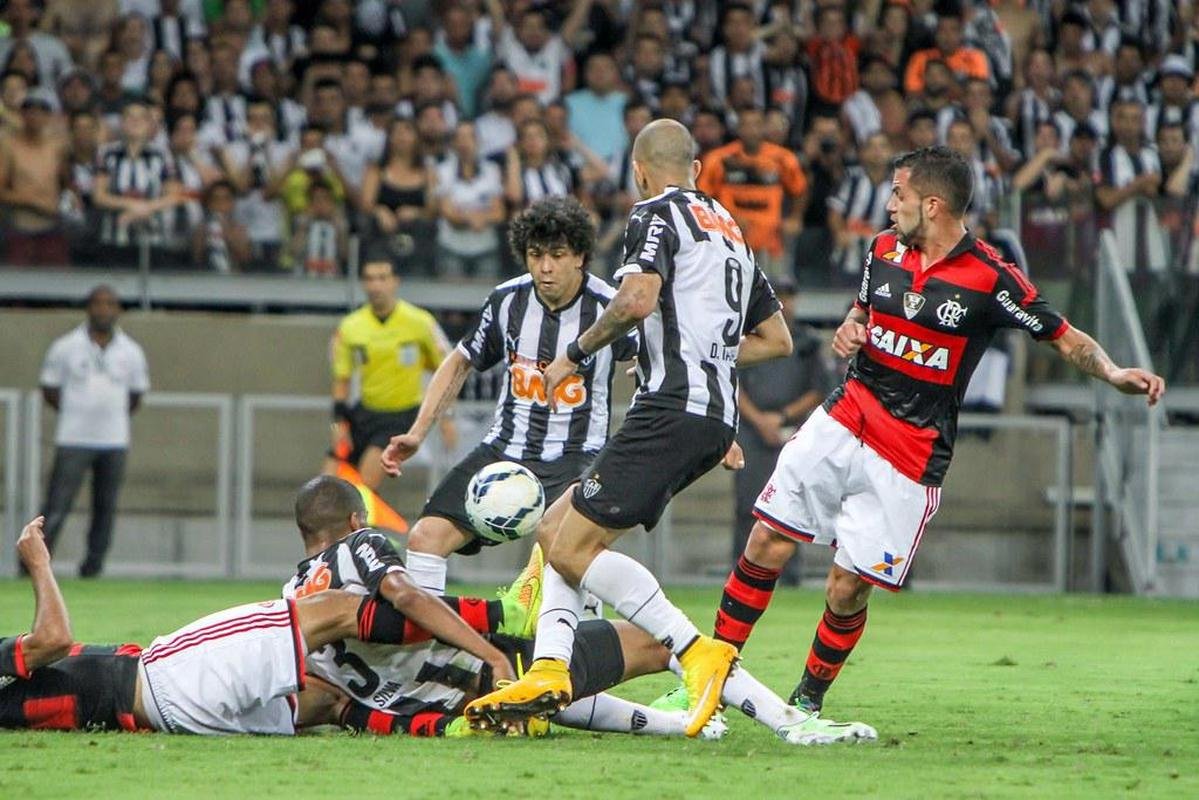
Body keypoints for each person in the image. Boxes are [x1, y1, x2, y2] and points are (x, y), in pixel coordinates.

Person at [694, 146, 1163, 739]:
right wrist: (850, 326)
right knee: (765, 540)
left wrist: (1116, 371)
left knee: (846, 587)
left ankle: (807, 700)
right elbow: (862, 311)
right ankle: (706, 683)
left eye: (899, 196)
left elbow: (1064, 338)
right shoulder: (883, 250)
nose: (889, 207)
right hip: (845, 416)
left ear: (933, 204)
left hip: (909, 454)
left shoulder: (991, 278)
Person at [464, 119, 793, 739]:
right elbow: (777, 340)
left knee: (572, 547)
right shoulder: (732, 233)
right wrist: (700, 356)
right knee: (554, 530)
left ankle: (697, 652)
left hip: (669, 408)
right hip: (707, 413)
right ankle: (549, 670)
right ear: (696, 168)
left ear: (640, 172)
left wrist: (576, 353)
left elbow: (634, 300)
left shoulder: (654, 214)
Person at [283, 474, 857, 744]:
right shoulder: (361, 547)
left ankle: (680, 725)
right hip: (496, 667)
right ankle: (789, 722)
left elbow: (318, 698)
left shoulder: (292, 599)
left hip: (456, 706)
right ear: (357, 522)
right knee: (653, 642)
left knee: (562, 686)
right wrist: (490, 642)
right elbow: (410, 601)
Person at [0, 514, 514, 735]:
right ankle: (508, 616)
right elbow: (53, 641)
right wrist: (40, 565)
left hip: (169, 712)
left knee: (327, 701)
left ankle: (456, 726)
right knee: (333, 611)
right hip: (162, 681)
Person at [379, 196, 637, 596]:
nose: (545, 267)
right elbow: (459, 361)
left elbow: (656, 366)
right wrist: (417, 432)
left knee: (566, 551)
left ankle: (580, 649)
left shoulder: (609, 307)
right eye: (535, 255)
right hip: (503, 451)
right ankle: (426, 652)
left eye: (557, 255)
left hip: (577, 458)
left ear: (580, 257)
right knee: (425, 538)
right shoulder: (506, 301)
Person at [37, 285, 149, 578]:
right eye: (98, 304)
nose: (103, 310)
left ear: (118, 310)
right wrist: (79, 410)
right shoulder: (65, 346)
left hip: (113, 439)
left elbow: (135, 396)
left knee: (105, 508)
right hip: (73, 437)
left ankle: (93, 568)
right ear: (88, 308)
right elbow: (49, 389)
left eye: (110, 304)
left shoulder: (131, 351)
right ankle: (35, 569)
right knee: (57, 506)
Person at [730, 277, 831, 583]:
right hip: (750, 429)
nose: (785, 304)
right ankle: (741, 574)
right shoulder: (747, 338)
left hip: (794, 433)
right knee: (748, 505)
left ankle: (787, 576)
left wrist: (783, 416)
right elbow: (732, 383)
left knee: (790, 508)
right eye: (779, 296)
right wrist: (760, 420)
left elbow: (820, 389)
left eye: (790, 296)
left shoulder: (807, 342)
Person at [326, 258, 453, 491]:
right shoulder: (350, 327)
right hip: (364, 412)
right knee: (327, 480)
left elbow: (447, 370)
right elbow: (341, 380)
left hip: (401, 415)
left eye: (382, 278)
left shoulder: (419, 322)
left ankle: (360, 527)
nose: (376, 286)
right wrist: (338, 426)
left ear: (395, 282)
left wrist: (446, 417)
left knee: (362, 487)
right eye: (369, 279)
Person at [698, 106, 807, 279]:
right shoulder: (719, 159)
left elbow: (800, 189)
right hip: (730, 239)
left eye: (756, 124)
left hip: (772, 241)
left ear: (764, 127)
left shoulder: (783, 158)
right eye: (746, 125)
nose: (751, 130)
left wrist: (795, 217)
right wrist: (722, 220)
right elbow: (702, 198)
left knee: (778, 292)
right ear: (738, 128)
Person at [0, 90, 70, 266]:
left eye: (41, 111)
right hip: (19, 226)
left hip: (53, 227)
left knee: (57, 280)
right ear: (22, 115)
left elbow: (68, 184)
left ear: (48, 116)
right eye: (30, 111)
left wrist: (66, 202)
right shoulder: (8, 146)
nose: (35, 116)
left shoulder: (58, 147)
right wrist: (34, 202)